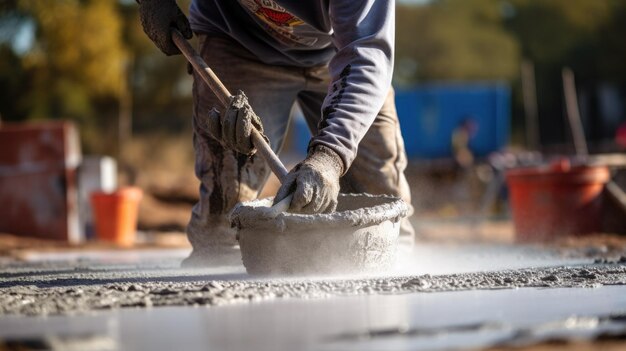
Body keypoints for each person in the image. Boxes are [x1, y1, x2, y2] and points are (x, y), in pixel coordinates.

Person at [138, 0, 415, 266]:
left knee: (383, 208)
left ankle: (393, 295)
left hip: (343, 52)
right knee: (226, 220)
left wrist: (330, 156)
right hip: (237, 42)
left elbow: (367, 53)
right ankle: (222, 306)